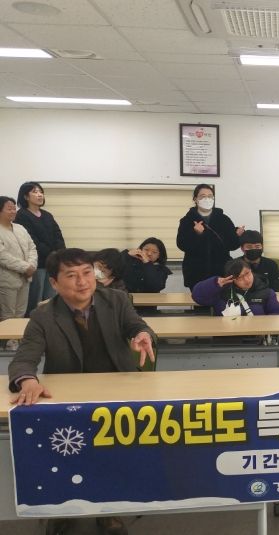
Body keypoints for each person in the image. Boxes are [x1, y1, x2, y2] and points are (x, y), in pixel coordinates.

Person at [8, 248, 156, 535]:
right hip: (69, 396)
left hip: (115, 388)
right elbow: (24, 359)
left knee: (113, 454)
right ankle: (61, 509)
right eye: (72, 275)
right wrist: (28, 381)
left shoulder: (116, 300)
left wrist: (142, 334)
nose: (83, 281)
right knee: (65, 455)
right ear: (54, 283)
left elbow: (136, 325)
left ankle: (109, 511)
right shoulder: (43, 316)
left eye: (88, 273)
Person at [176, 184, 244, 289]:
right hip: (196, 272)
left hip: (221, 272)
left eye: (210, 196)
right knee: (200, 299)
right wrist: (196, 234)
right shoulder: (187, 220)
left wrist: (237, 235)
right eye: (202, 196)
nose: (207, 199)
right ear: (195, 199)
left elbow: (232, 245)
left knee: (222, 299)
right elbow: (181, 244)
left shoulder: (224, 219)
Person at [14, 181, 65, 315]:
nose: (40, 195)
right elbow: (31, 240)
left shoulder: (47, 215)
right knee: (35, 297)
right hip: (37, 264)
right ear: (26, 196)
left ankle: (49, 323)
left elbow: (58, 235)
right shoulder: (21, 215)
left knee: (51, 297)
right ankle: (33, 323)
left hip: (53, 263)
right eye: (35, 192)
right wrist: (51, 254)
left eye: (41, 192)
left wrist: (59, 254)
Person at [0, 196, 37, 351]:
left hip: (25, 278)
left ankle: (19, 338)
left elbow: (32, 248)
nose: (14, 211)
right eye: (9, 208)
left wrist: (31, 265)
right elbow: (2, 256)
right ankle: (9, 343)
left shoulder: (20, 228)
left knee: (21, 312)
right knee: (8, 312)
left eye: (14, 208)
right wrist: (25, 267)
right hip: (7, 279)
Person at [191, 258, 279, 317]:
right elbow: (197, 297)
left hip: (255, 338)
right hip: (226, 338)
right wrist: (214, 284)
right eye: (240, 277)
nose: (246, 280)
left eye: (247, 273)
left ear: (251, 270)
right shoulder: (221, 293)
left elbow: (277, 313)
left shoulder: (266, 292)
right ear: (232, 279)